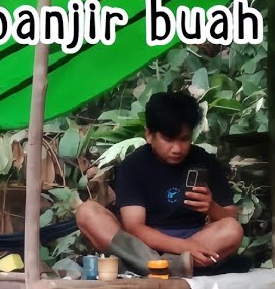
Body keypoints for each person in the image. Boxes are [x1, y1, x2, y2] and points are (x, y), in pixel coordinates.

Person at [76, 90, 243, 276]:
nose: (177, 149)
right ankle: (165, 265)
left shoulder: (204, 161)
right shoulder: (134, 165)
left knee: (232, 230)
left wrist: (211, 207)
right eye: (168, 139)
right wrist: (184, 247)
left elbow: (231, 218)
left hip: (196, 239)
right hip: (145, 247)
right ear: (149, 135)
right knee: (87, 212)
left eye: (184, 139)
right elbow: (135, 228)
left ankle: (161, 267)